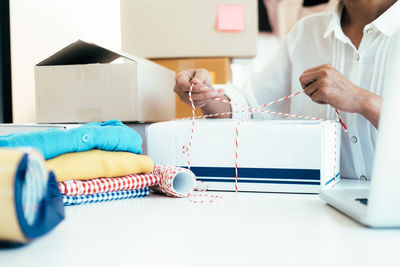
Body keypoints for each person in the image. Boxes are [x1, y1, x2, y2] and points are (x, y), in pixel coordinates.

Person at [174, 0, 400, 180]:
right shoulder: (306, 33)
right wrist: (204, 94)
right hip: (324, 208)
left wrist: (363, 101)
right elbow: (249, 107)